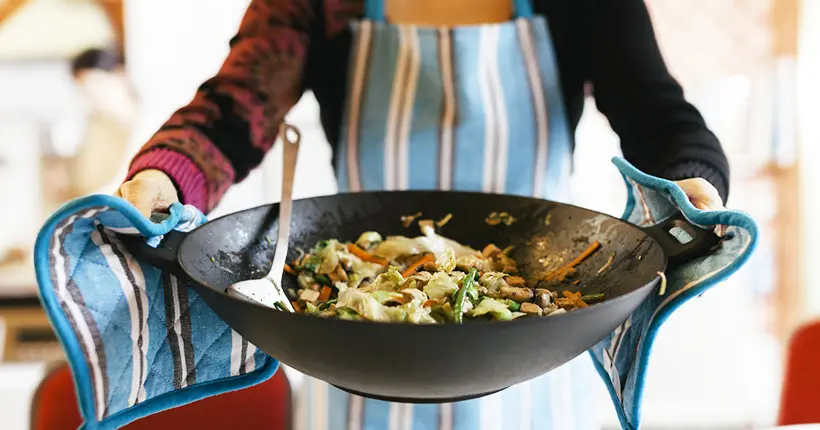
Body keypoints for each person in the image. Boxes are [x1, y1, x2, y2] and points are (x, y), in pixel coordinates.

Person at [115, 0, 728, 428]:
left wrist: (690, 184)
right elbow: (237, 105)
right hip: (352, 346)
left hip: (534, 351)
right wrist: (163, 174)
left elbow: (659, 117)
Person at [70, 47, 138, 198]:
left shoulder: (151, 123)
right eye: (83, 89)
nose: (92, 96)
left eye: (94, 83)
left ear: (119, 74)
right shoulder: (97, 124)